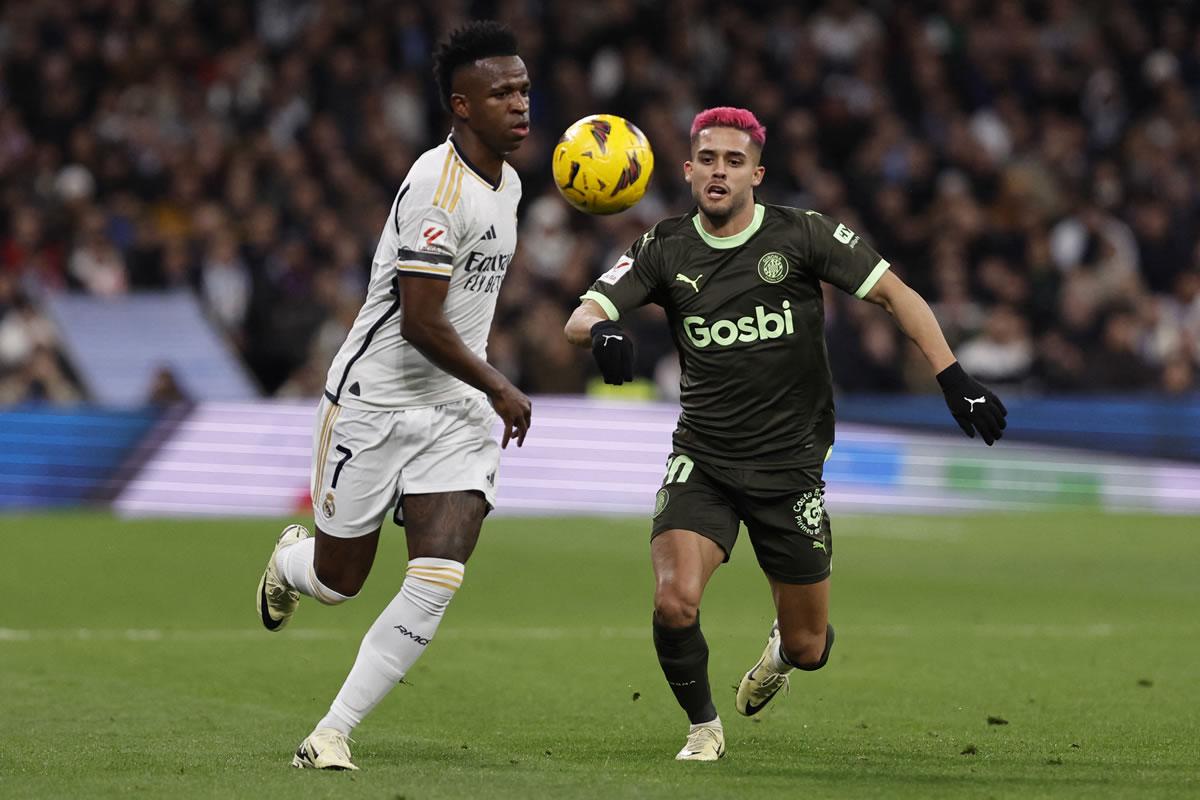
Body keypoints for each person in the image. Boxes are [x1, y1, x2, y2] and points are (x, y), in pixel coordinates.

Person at [564, 107, 1006, 762]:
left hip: (791, 467)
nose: (719, 171)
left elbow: (898, 295)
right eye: (708, 159)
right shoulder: (663, 247)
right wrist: (601, 331)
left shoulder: (802, 235)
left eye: (734, 161)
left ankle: (782, 651)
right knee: (674, 602)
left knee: (809, 647)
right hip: (704, 460)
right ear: (687, 171)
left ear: (757, 175)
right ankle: (703, 726)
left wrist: (953, 377)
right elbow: (582, 314)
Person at [255, 21, 532, 771]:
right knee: (341, 582)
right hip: (374, 402)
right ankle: (291, 564)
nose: (520, 103)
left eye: (524, 88)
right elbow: (419, 322)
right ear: (461, 106)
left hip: (458, 410)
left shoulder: (510, 185)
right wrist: (501, 382)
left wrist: (481, 390)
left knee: (439, 572)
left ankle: (331, 732)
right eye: (501, 92)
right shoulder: (434, 189)